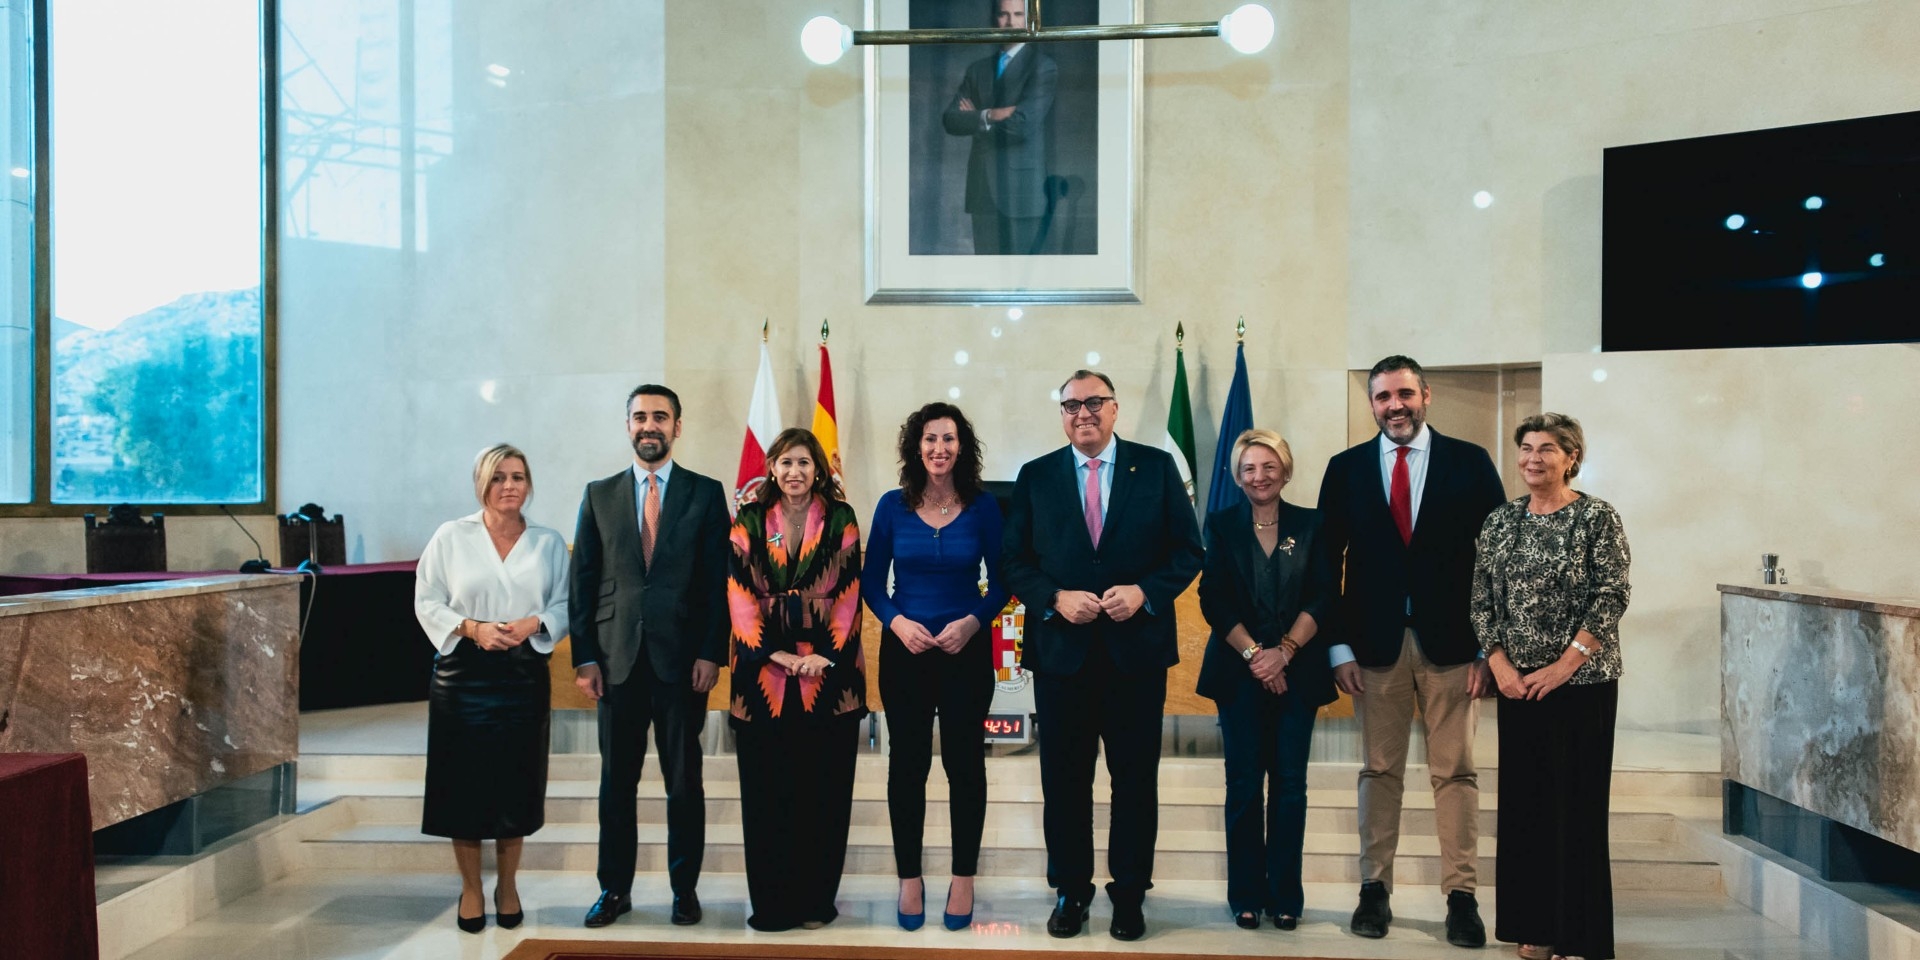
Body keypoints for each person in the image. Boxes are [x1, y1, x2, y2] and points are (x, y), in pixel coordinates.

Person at [1002, 369, 1204, 942]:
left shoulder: (1157, 468)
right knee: (1065, 781)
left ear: (1115, 409)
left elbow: (1189, 552)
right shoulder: (1036, 476)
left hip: (1134, 657)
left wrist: (1146, 592)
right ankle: (1071, 889)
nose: (1082, 412)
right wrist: (1053, 597)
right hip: (1062, 655)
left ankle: (1131, 892)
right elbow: (1014, 560)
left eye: (1094, 402)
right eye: (1071, 405)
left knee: (1135, 780)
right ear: (1061, 414)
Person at [1316, 355, 1506, 946]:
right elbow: (1327, 563)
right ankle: (1375, 890)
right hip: (1372, 647)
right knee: (1379, 770)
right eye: (1382, 397)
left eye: (1404, 394)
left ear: (1427, 394)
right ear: (1371, 404)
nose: (1394, 406)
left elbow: (1497, 559)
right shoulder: (1344, 468)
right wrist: (1337, 647)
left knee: (1456, 772)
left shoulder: (1469, 462)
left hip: (1454, 645)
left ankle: (1462, 897)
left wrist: (1489, 647)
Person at [570, 384, 732, 928]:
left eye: (659, 417)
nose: (649, 425)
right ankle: (614, 889)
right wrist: (584, 657)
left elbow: (717, 583)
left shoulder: (705, 494)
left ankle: (684, 890)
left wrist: (712, 652)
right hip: (615, 663)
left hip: (682, 663)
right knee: (617, 783)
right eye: (639, 416)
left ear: (677, 427)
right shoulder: (599, 495)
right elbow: (583, 583)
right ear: (627, 425)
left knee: (684, 784)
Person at [1472, 413, 1630, 960]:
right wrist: (1499, 664)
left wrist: (1565, 665)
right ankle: (1534, 929)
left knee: (1577, 810)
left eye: (1546, 449)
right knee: (1526, 812)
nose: (1533, 458)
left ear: (1571, 457)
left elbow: (1611, 595)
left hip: (1581, 686)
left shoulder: (1596, 518)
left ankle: (1578, 935)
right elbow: (1481, 600)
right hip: (1519, 690)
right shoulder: (1500, 521)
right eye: (1525, 448)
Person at [863, 402, 1009, 932]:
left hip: (965, 654)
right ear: (915, 447)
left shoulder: (984, 507)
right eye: (930, 439)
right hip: (905, 655)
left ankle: (963, 876)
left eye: (949, 439)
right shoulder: (891, 506)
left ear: (962, 447)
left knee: (965, 766)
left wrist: (973, 622)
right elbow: (872, 583)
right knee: (908, 767)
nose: (939, 449)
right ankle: (909, 878)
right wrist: (897, 622)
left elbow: (1005, 580)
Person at [413, 443, 570, 934]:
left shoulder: (547, 541)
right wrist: (471, 627)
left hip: (523, 675)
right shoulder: (451, 536)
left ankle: (507, 885)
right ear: (481, 483)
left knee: (515, 784)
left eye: (518, 476)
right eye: (499, 476)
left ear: (529, 484)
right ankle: (471, 889)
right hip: (463, 675)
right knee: (462, 786)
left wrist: (533, 623)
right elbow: (426, 600)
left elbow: (567, 605)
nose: (509, 485)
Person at [727, 428, 868, 932]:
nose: (794, 472)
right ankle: (771, 903)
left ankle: (815, 901)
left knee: (824, 794)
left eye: (804, 463)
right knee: (767, 797)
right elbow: (740, 593)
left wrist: (824, 654)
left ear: (818, 470)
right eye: (786, 462)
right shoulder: (747, 519)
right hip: (762, 678)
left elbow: (850, 587)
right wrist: (777, 652)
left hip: (829, 681)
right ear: (771, 467)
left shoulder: (841, 518)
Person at [1195, 429, 1336, 932]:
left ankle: (1286, 897)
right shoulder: (1221, 524)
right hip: (1238, 674)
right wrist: (1258, 656)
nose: (1259, 476)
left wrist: (1286, 653)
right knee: (1243, 787)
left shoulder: (1313, 524)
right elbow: (1213, 599)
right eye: (1249, 468)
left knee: (1291, 787)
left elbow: (1323, 596)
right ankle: (1245, 895)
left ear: (1286, 470)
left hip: (1298, 673)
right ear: (1237, 476)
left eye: (1269, 466)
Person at [941, 0, 1058, 255]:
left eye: (1018, 15)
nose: (1011, 22)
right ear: (994, 19)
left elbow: (1022, 126)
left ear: (1029, 21)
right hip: (982, 190)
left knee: (1021, 284)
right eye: (1003, 15)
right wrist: (991, 114)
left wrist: (976, 120)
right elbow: (950, 120)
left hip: (1022, 193)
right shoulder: (977, 69)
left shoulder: (1042, 67)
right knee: (986, 280)